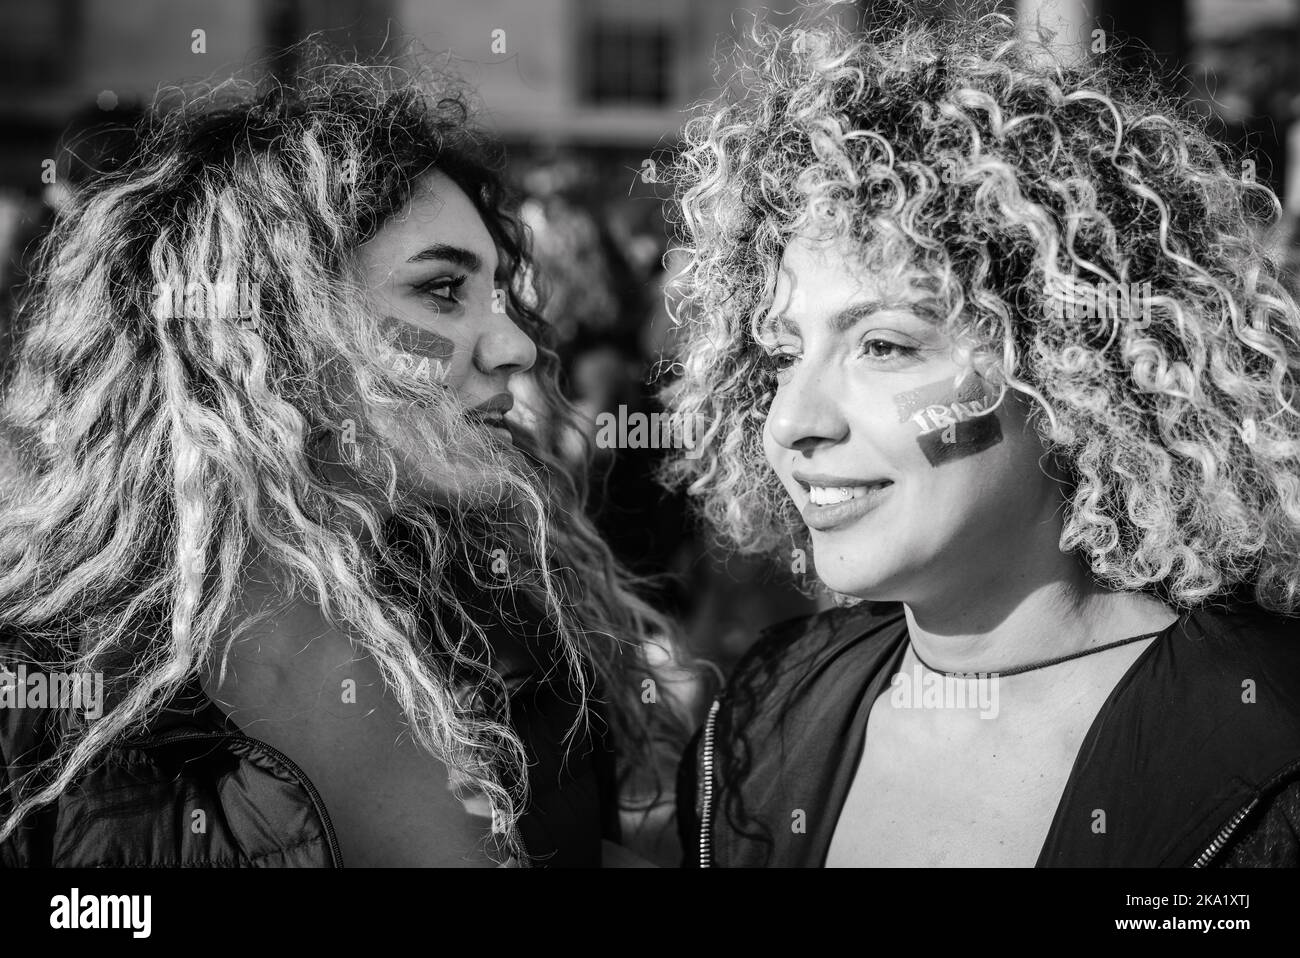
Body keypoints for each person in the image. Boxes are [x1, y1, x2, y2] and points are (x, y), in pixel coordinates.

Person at [0, 45, 682, 868]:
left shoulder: (507, 614)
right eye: (440, 289)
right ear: (269, 332)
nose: (514, 347)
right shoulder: (44, 698)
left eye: (500, 291)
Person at [665, 7, 1300, 867]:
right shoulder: (759, 713)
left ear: (1068, 367)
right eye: (781, 355)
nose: (791, 421)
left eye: (884, 346)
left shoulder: (1268, 761)